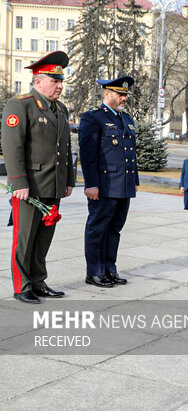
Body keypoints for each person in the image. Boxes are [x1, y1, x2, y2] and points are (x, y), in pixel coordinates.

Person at [1, 51, 74, 304]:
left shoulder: (60, 109)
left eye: (61, 81)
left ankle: (39, 282)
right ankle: (22, 286)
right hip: (29, 187)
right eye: (55, 81)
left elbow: (65, 148)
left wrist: (68, 181)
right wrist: (18, 182)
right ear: (38, 80)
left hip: (53, 184)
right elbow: (12, 147)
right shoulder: (20, 105)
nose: (60, 86)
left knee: (44, 238)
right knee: (25, 239)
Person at [79, 76, 138, 288]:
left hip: (123, 185)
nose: (124, 98)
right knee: (97, 229)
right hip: (103, 185)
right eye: (120, 94)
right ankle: (94, 272)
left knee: (114, 229)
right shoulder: (93, 118)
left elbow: (131, 154)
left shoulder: (126, 119)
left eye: (125, 95)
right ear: (107, 94)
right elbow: (88, 155)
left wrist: (135, 180)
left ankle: (109, 269)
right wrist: (91, 184)